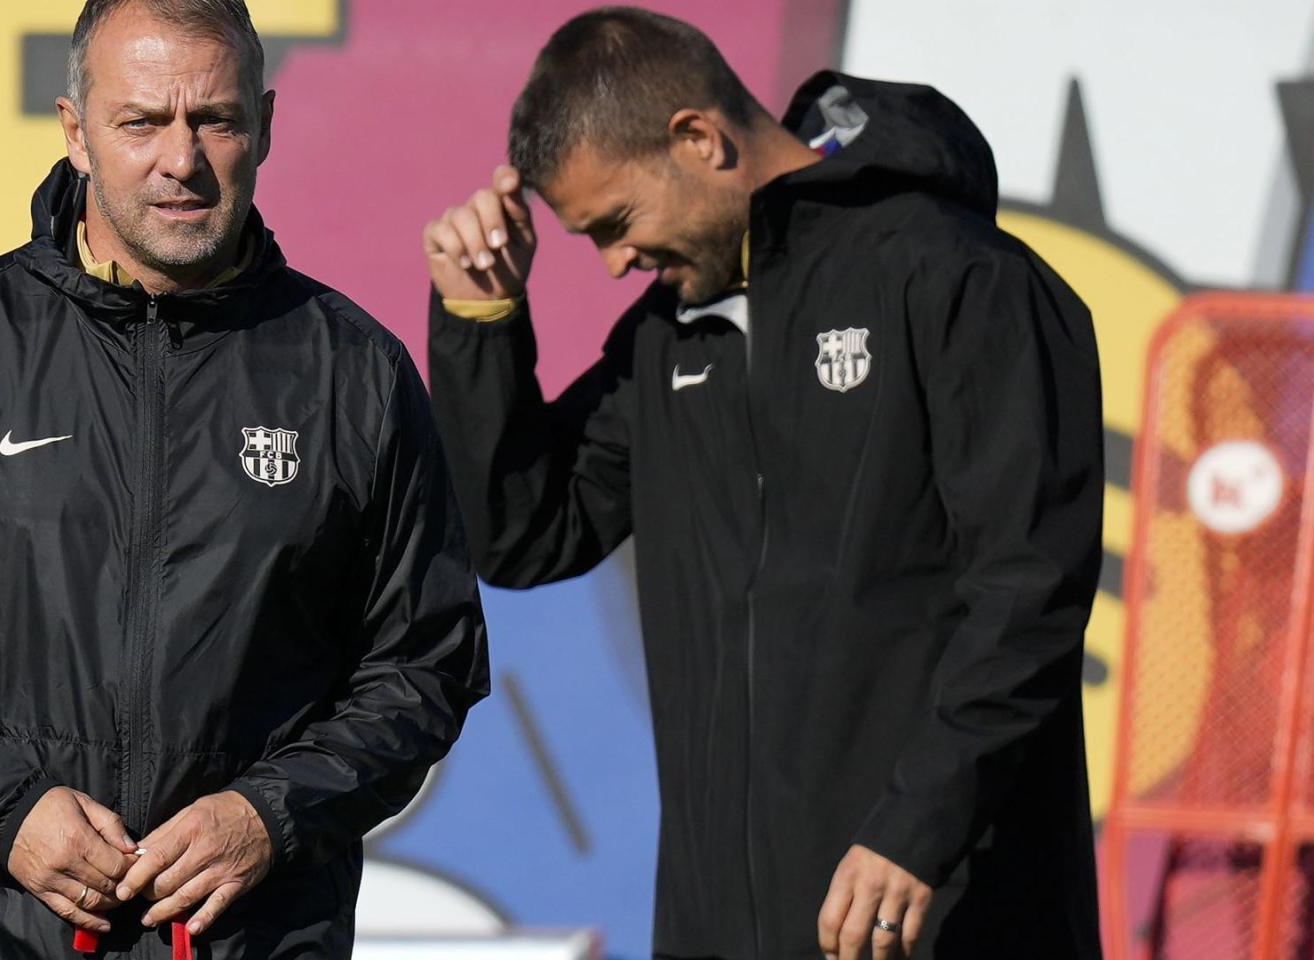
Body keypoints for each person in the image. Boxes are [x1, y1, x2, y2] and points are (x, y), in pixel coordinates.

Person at [0, 1, 489, 957]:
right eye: (141, 121)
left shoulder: (354, 373)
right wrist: (8, 814)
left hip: (256, 939)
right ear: (76, 131)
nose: (182, 160)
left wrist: (268, 816)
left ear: (266, 126)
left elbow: (426, 662)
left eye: (218, 120)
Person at [422, 8, 1101, 959]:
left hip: (940, 907)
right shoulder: (670, 337)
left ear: (699, 139)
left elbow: (1029, 595)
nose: (617, 264)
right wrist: (479, 317)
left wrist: (915, 829)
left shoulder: (958, 279)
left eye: (617, 224)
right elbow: (528, 533)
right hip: (722, 926)